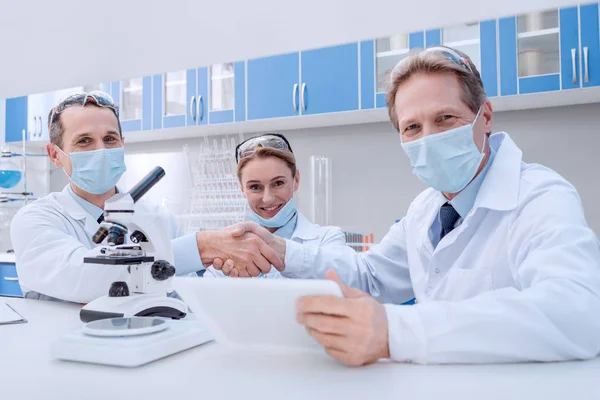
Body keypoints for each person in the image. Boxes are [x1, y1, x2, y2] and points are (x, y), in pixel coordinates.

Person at [214, 46, 600, 366]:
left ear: (484, 117)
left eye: (445, 118)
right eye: (412, 128)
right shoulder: (426, 209)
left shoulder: (540, 196)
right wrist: (281, 251)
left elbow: (578, 313)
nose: (427, 139)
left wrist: (395, 331)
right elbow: (371, 277)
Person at [10, 91, 282, 304]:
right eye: (84, 141)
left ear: (122, 144)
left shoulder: (157, 218)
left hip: (148, 350)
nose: (101, 150)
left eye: (110, 139)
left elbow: (180, 291)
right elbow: (80, 278)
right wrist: (202, 247)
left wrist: (230, 268)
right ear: (55, 155)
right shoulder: (36, 220)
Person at [204, 133, 346, 278]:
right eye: (254, 187)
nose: (268, 199)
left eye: (278, 183)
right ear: (242, 189)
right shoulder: (229, 249)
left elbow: (342, 283)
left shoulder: (328, 240)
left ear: (296, 180)